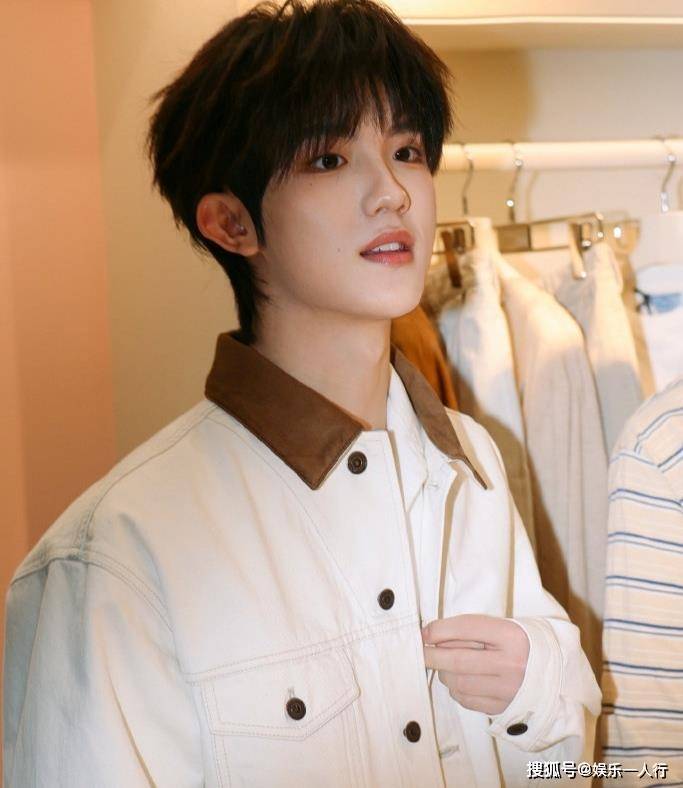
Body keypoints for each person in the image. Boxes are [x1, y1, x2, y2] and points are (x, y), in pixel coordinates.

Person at [2, 1, 600, 785]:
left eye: (406, 151)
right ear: (231, 223)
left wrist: (542, 686)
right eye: (328, 159)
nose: (392, 193)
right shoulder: (114, 554)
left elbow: (567, 767)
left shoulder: (473, 462)